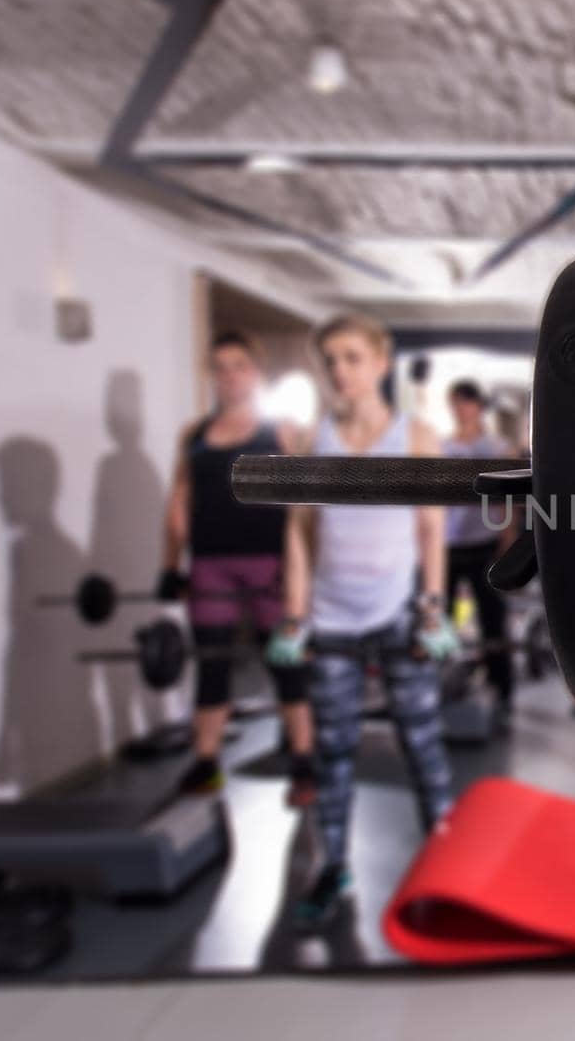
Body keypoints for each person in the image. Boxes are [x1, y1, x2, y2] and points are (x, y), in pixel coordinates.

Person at [272, 314, 461, 928]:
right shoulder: (312, 441)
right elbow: (299, 534)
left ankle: (450, 864)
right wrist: (294, 617)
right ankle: (334, 866)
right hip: (330, 619)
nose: (339, 372)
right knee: (333, 750)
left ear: (381, 364)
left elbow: (431, 531)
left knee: (422, 742)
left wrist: (432, 608)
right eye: (330, 360)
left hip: (397, 614)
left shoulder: (415, 438)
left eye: (352, 358)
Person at [159, 331, 314, 804]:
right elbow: (180, 501)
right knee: (211, 664)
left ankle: (304, 761)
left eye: (239, 366)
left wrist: (298, 573)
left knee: (286, 664)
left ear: (256, 373)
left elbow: (299, 507)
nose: (229, 376)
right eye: (220, 367)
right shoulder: (195, 434)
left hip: (267, 561)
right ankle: (206, 762)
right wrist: (171, 566)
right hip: (210, 563)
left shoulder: (281, 432)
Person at [440, 379, 516, 727]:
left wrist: (507, 539)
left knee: (492, 619)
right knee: (438, 618)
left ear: (479, 406)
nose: (461, 410)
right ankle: (438, 686)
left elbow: (509, 499)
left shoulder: (497, 446)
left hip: (484, 541)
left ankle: (502, 690)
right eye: (456, 403)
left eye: (467, 403)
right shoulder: (441, 446)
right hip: (447, 544)